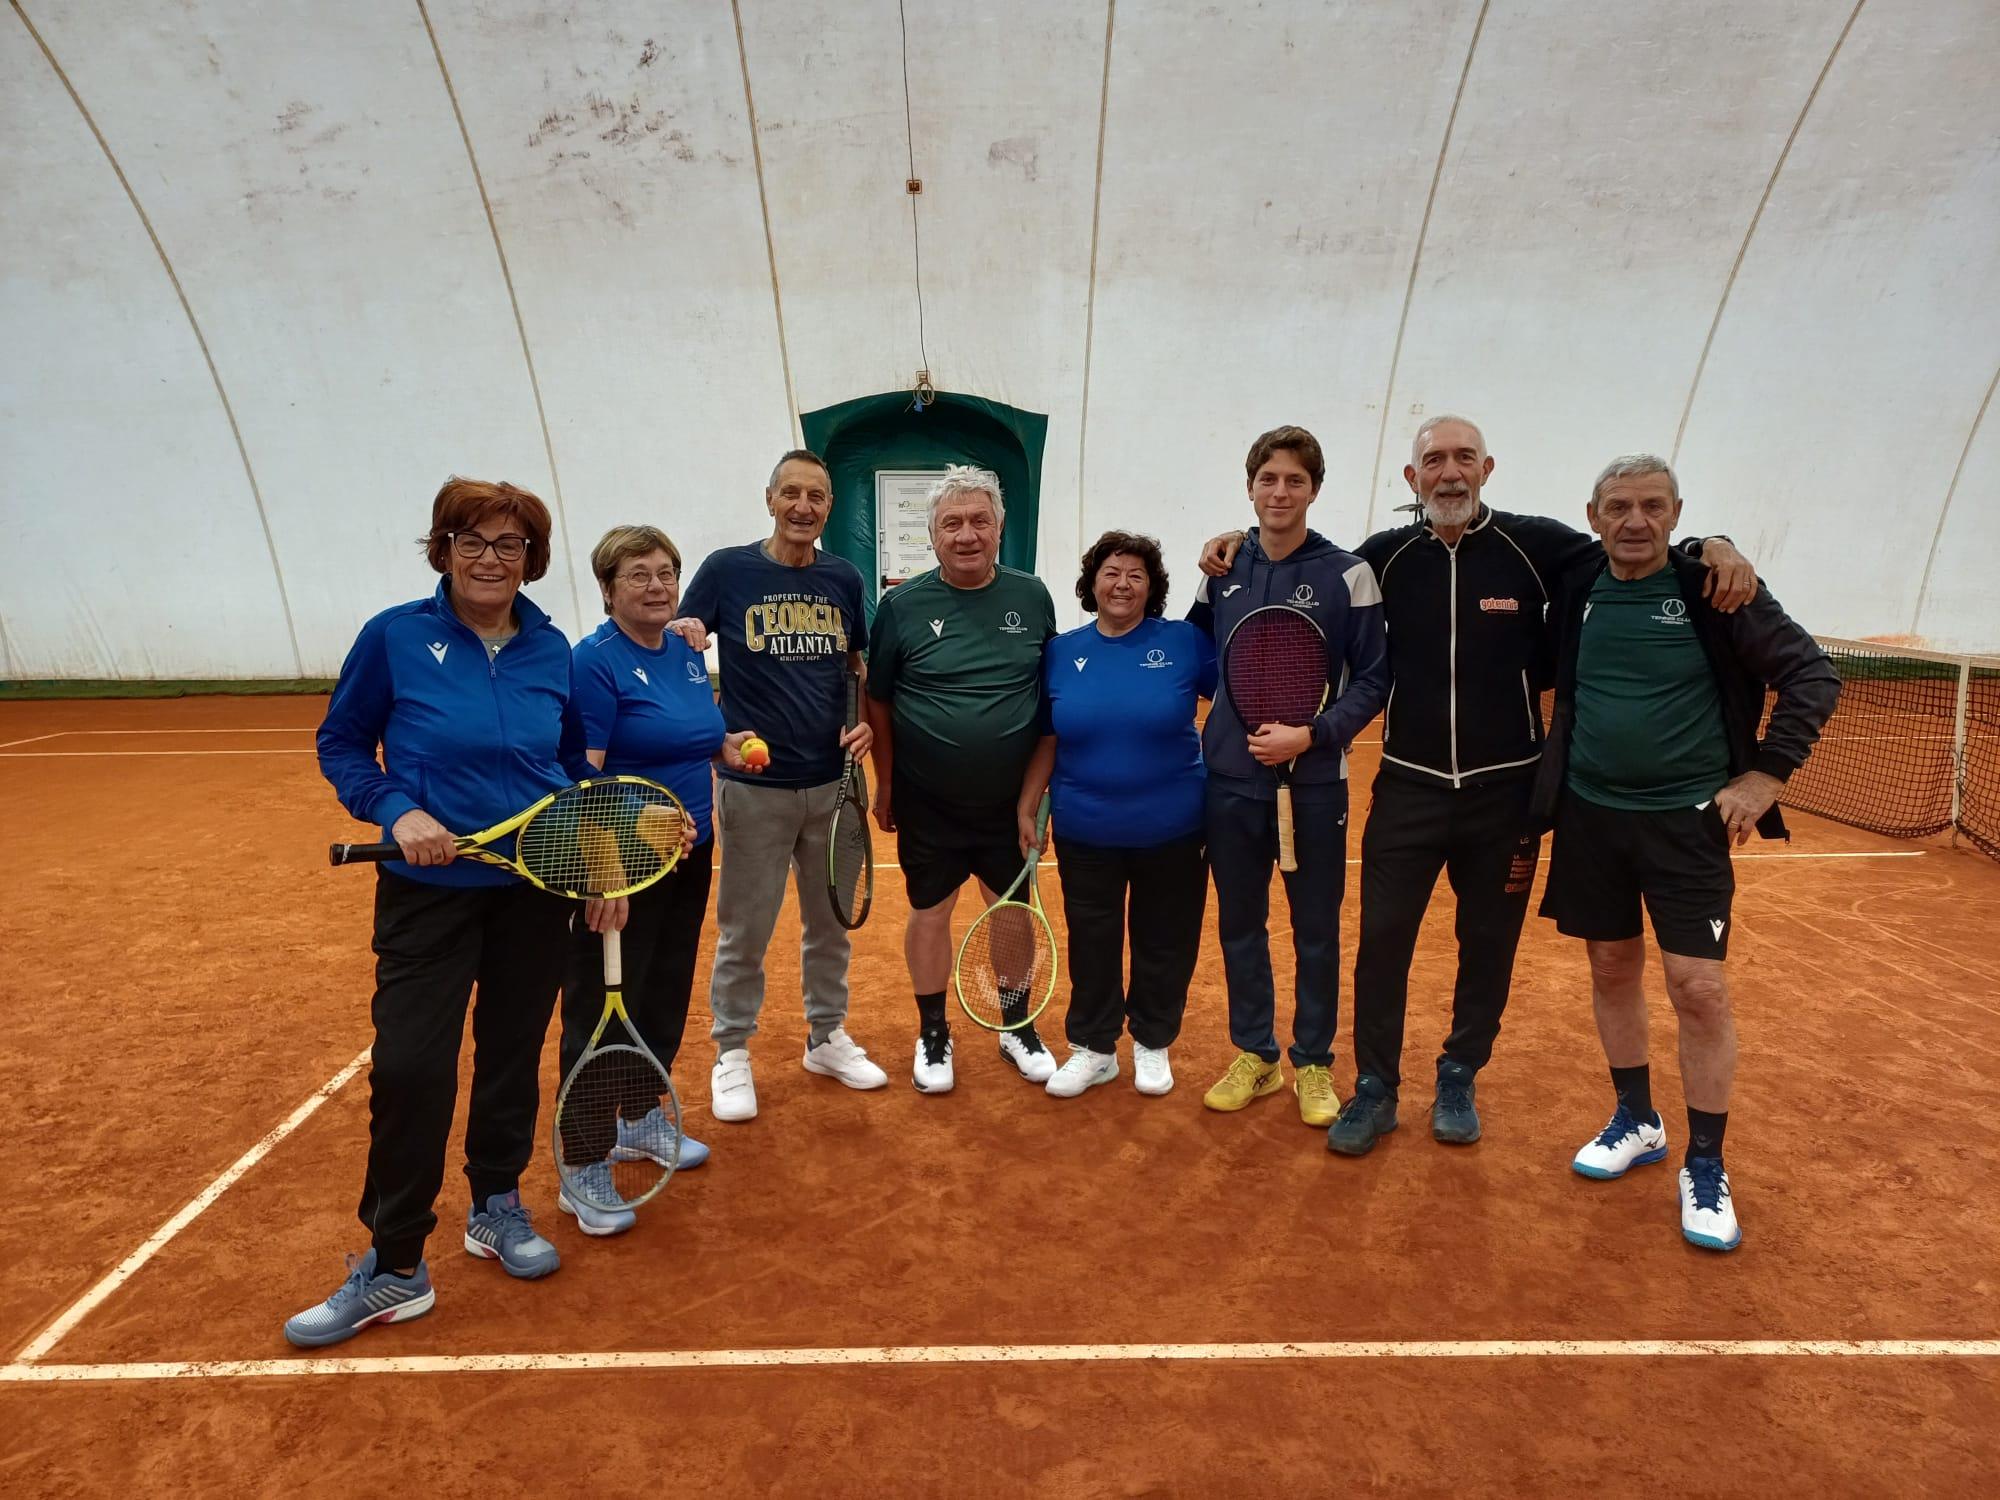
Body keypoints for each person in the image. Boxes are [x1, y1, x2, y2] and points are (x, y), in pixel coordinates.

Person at [1197, 416, 1754, 1156]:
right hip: (1408, 789)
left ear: (1487, 468)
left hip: (1507, 795)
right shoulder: (1383, 560)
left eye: (1464, 458)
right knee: (1382, 944)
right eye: (1434, 460)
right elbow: (1302, 559)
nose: (1450, 472)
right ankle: (1376, 1089)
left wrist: (1709, 545)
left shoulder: (1537, 546)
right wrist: (1234, 537)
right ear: (1413, 479)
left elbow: (1635, 545)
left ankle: (1459, 1073)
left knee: (1486, 943)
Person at [290, 477, 580, 1346]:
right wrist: (395, 809)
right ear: (442, 548)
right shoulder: (396, 637)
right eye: (472, 541)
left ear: (533, 559)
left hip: (531, 890)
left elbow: (564, 768)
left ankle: (495, 1204)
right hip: (426, 898)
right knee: (412, 1069)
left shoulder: (551, 648)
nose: (491, 559)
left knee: (510, 1057)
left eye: (510, 545)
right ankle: (394, 1264)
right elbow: (342, 742)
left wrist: (592, 855)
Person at [1532, 454, 1837, 1251]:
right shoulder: (1576, 583)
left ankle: (1706, 1163)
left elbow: (1811, 675)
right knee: (1609, 966)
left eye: (1653, 506)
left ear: (1675, 513)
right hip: (1592, 814)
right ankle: (1638, 1118)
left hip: (1686, 823)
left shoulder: (1715, 588)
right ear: (1593, 515)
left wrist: (1766, 775)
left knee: (1696, 987)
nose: (1636, 521)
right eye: (1620, 507)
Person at [556, 525, 764, 1236]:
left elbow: (698, 735)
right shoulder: (595, 664)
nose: (656, 586)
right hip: (619, 863)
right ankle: (581, 1162)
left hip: (686, 853)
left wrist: (729, 745)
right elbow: (582, 772)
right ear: (608, 589)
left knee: (665, 989)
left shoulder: (681, 652)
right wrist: (605, 870)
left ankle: (640, 1118)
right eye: (638, 574)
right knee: (598, 1009)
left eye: (666, 572)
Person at [672, 450, 886, 1122]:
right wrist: (706, 718)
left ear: (828, 508)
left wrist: (859, 728)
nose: (802, 506)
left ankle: (827, 1037)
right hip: (753, 786)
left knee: (830, 928)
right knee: (746, 930)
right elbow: (682, 652)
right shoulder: (727, 571)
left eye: (816, 496)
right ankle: (731, 1051)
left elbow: (855, 665)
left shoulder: (844, 578)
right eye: (790, 493)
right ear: (769, 499)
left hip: (832, 787)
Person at [1188, 426, 1389, 1127]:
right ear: (1250, 487)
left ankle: (1312, 1062)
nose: (1280, 492)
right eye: (1268, 479)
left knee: (1314, 930)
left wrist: (1314, 734)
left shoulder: (1348, 574)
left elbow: (1373, 679)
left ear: (1313, 490)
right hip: (1230, 784)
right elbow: (1199, 651)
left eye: (1294, 481)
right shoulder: (1223, 570)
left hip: (1314, 786)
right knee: (1240, 924)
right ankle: (1256, 1054)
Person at [864, 465, 1059, 1092]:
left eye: (980, 521)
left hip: (1009, 806)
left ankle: (1016, 1025)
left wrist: (1031, 801)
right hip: (928, 802)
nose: (967, 534)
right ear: (932, 534)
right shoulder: (900, 606)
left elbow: (1049, 705)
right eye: (953, 523)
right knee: (929, 911)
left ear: (1001, 528)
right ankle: (933, 1033)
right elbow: (880, 703)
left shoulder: (1032, 597)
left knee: (1010, 914)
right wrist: (887, 786)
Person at [1014, 531, 1215, 1098]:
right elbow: (1049, 737)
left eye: (1136, 575)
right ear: (1091, 583)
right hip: (1086, 830)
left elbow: (1237, 697)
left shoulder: (1184, 642)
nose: (1122, 583)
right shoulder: (1060, 651)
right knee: (1093, 939)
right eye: (1111, 572)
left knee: (1165, 938)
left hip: (1174, 828)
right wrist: (1028, 806)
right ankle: (1095, 1048)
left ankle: (1152, 1044)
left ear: (1152, 588)